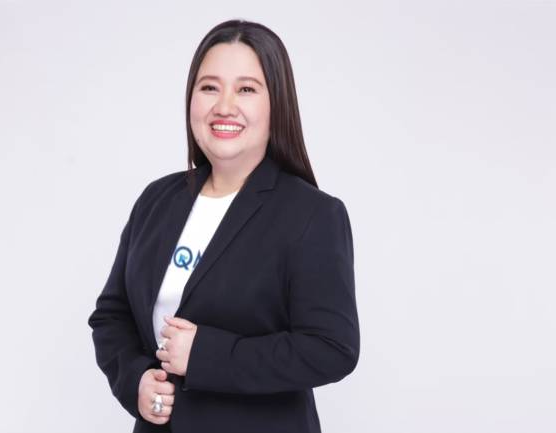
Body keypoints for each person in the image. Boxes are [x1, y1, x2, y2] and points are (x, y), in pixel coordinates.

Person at [88, 19, 360, 433]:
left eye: (246, 89)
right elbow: (112, 316)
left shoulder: (312, 214)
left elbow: (331, 348)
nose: (224, 106)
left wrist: (205, 355)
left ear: (276, 104)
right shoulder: (157, 201)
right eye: (209, 87)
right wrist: (137, 381)